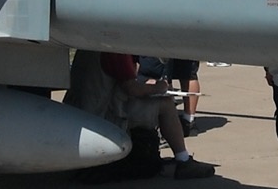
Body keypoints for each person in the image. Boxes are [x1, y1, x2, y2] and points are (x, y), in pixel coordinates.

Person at [66, 52, 213, 179]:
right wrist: (157, 87)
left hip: (77, 109)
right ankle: (183, 160)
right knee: (166, 105)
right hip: (104, 113)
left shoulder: (90, 46)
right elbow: (132, 89)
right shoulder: (116, 49)